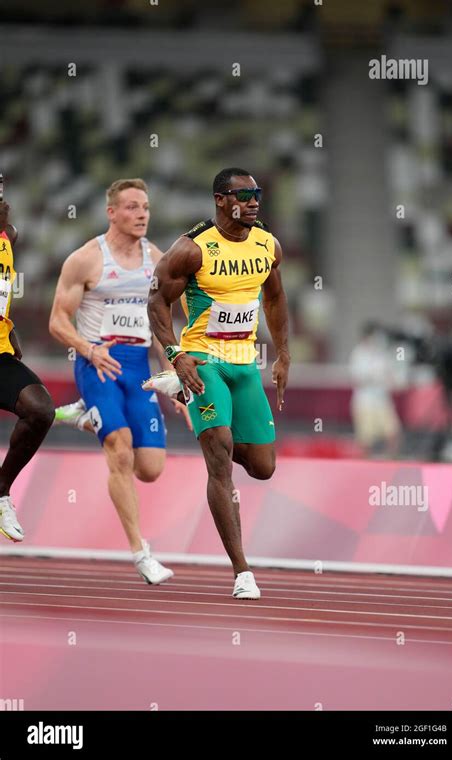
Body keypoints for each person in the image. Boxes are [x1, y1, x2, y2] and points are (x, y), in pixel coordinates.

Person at [144, 167, 290, 599]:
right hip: (203, 361)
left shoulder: (268, 244)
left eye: (257, 193)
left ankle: (217, 433)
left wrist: (283, 354)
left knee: (263, 467)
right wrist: (176, 356)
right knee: (219, 454)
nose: (254, 201)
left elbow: (275, 298)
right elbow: (157, 303)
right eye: (244, 194)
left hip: (244, 364)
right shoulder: (192, 249)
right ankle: (242, 571)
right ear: (220, 200)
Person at [49, 178, 190, 584]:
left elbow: (164, 325)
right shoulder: (86, 260)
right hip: (99, 363)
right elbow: (57, 320)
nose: (141, 213)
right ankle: (141, 552)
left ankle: (85, 414)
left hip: (139, 366)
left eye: (145, 206)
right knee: (121, 452)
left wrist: (176, 377)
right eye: (131, 207)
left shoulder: (157, 261)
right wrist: (89, 349)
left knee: (150, 468)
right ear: (112, 213)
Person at [0, 199, 55, 542]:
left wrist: (11, 326)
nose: (4, 201)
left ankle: (1, 492)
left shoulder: (9, 235)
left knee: (39, 409)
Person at [349, 322, 401, 458]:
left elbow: (391, 375)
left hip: (382, 401)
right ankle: (366, 467)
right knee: (366, 440)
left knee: (393, 433)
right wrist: (375, 377)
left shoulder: (382, 354)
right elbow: (358, 379)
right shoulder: (358, 354)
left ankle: (390, 463)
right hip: (365, 402)